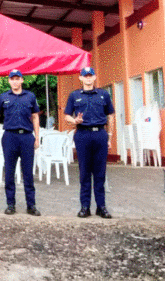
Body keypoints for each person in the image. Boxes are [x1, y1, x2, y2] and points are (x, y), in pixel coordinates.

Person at [64, 66, 116, 219]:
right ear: (80, 78)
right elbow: (67, 116)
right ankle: (85, 207)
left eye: (90, 76)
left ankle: (101, 207)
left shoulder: (103, 95)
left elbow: (110, 115)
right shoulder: (74, 95)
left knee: (100, 173)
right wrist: (75, 120)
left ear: (94, 77)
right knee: (85, 172)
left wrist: (110, 136)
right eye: (84, 76)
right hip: (83, 134)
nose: (87, 78)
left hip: (100, 134)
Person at [0, 69, 41, 216]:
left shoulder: (30, 96)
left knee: (28, 173)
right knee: (9, 172)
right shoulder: (4, 97)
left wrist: (37, 137)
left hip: (26, 137)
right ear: (9, 81)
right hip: (10, 137)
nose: (15, 81)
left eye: (18, 78)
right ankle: (10, 204)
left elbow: (35, 117)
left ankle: (31, 205)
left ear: (22, 80)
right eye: (12, 79)